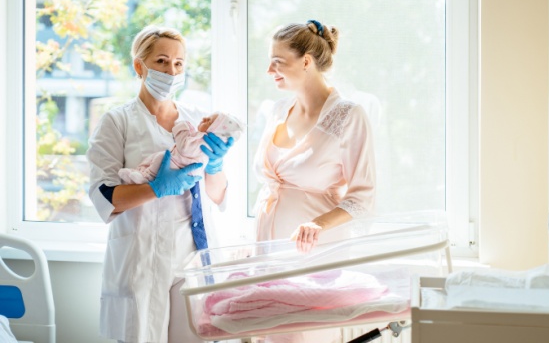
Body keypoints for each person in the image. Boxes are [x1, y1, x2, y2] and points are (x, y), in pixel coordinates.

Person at [86, 25, 235, 343]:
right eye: (162, 61)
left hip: (191, 254)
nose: (171, 71)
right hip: (141, 255)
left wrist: (216, 166)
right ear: (139, 66)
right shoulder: (117, 121)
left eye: (179, 63)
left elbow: (217, 194)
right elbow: (104, 195)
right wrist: (155, 188)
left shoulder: (197, 119)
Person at [252, 20, 376, 343]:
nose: (269, 70)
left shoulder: (349, 116)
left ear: (306, 61)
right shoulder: (279, 110)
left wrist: (318, 224)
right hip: (269, 250)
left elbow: (362, 198)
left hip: (315, 253)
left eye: (277, 62)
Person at [118, 112, 245, 185]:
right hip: (140, 221)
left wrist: (214, 167)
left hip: (178, 167)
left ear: (214, 131)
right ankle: (140, 172)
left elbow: (184, 147)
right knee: (155, 158)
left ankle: (146, 176)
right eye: (208, 117)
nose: (204, 118)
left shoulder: (204, 142)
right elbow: (108, 196)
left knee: (160, 159)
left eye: (209, 121)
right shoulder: (120, 119)